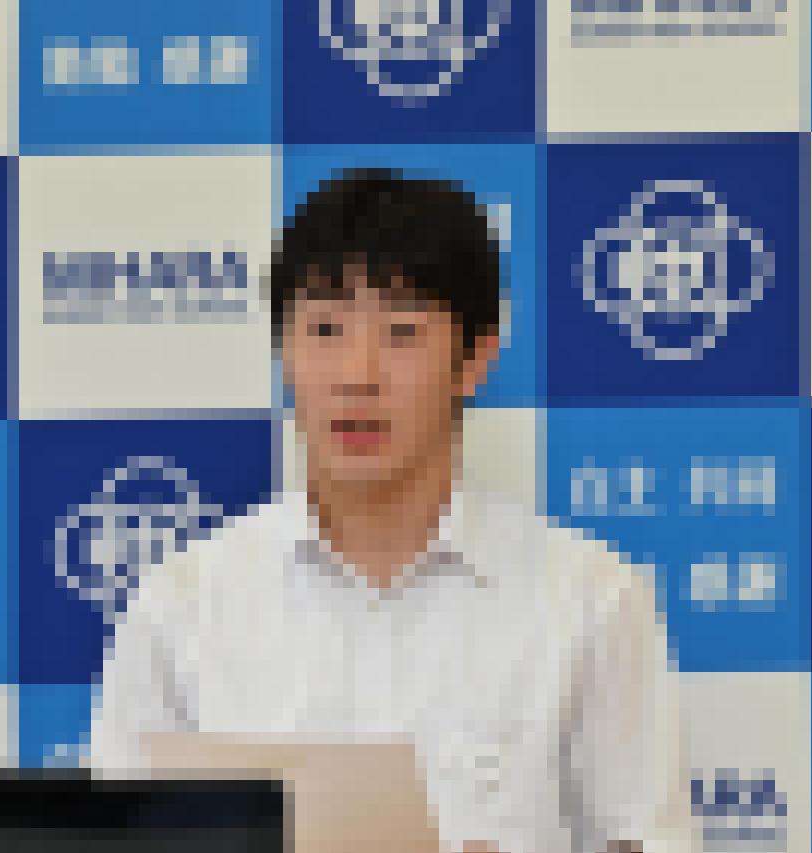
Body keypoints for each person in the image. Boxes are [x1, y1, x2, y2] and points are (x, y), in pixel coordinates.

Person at [89, 167, 696, 853]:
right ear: (285, 354)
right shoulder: (181, 607)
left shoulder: (590, 601)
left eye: (402, 332)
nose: (357, 375)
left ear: (476, 358)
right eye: (324, 330)